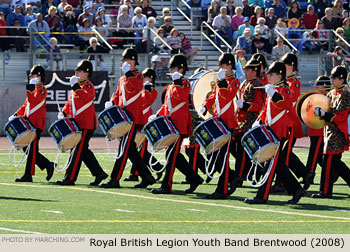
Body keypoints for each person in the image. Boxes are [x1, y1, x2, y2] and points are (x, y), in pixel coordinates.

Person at [244, 61, 305, 204]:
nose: (268, 77)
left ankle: (262, 196)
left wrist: (274, 95)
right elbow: (266, 109)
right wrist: (258, 121)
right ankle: (296, 189)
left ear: (280, 75)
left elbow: (287, 105)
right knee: (276, 164)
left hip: (278, 132)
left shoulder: (284, 89)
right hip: (269, 131)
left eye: (271, 74)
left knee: (271, 165)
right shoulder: (273, 88)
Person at [101, 48, 156, 189]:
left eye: (129, 60)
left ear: (134, 61)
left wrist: (128, 73)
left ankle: (115, 178)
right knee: (131, 150)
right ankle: (147, 176)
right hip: (122, 118)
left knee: (124, 149)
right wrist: (112, 102)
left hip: (132, 118)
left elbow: (137, 88)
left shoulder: (137, 76)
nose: (126, 63)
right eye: (124, 60)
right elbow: (119, 94)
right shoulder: (122, 78)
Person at [151, 54, 204, 194]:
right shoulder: (170, 86)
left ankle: (166, 185)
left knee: (171, 157)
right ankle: (194, 178)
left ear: (180, 69)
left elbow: (183, 96)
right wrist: (157, 115)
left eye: (173, 67)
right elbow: (167, 105)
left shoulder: (185, 83)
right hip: (170, 125)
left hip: (178, 125)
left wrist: (178, 82)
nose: (171, 70)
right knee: (175, 156)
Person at [55, 60, 108, 186]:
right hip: (77, 123)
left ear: (86, 73)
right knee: (83, 151)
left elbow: (86, 97)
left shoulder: (88, 86)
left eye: (79, 71)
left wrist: (75, 86)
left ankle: (70, 178)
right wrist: (63, 112)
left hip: (85, 124)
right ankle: (99, 173)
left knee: (77, 151)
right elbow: (70, 103)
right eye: (76, 71)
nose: (76, 73)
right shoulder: (76, 86)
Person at [198, 52, 240, 199]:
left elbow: (227, 96)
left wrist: (222, 82)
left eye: (223, 65)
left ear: (230, 66)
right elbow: (213, 96)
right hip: (217, 122)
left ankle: (221, 190)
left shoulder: (234, 82)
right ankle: (233, 178)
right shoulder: (220, 82)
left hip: (227, 124)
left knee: (222, 157)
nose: (220, 68)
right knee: (215, 157)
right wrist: (204, 106)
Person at [8, 65, 54, 182]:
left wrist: (29, 88)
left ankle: (28, 175)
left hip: (36, 124)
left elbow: (33, 101)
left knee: (32, 150)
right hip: (28, 124)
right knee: (28, 149)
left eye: (33, 75)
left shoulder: (42, 90)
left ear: (39, 77)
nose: (31, 77)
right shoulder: (33, 90)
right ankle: (48, 165)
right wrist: (16, 115)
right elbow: (26, 105)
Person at [312, 66, 350, 198]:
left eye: (334, 77)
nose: (331, 80)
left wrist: (325, 114)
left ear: (342, 79)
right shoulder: (330, 93)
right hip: (328, 131)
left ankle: (325, 191)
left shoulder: (346, 94)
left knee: (327, 160)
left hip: (338, 132)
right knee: (336, 163)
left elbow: (340, 116)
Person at [124, 68, 163, 182]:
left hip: (145, 122)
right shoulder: (141, 89)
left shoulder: (152, 90)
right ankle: (157, 167)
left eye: (146, 77)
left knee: (140, 150)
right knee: (138, 150)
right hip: (139, 120)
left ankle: (135, 174)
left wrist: (145, 90)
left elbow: (146, 101)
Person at [233, 58, 265, 189]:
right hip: (241, 123)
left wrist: (245, 105)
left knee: (243, 153)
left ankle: (239, 177)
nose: (244, 71)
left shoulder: (257, 85)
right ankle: (253, 172)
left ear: (254, 72)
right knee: (241, 152)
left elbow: (258, 105)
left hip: (250, 123)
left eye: (247, 70)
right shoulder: (244, 83)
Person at [306, 76, 330, 184]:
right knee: (318, 155)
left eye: (319, 85)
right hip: (314, 128)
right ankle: (333, 174)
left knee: (314, 155)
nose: (316, 87)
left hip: (320, 130)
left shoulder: (326, 98)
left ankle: (309, 176)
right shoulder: (316, 96)